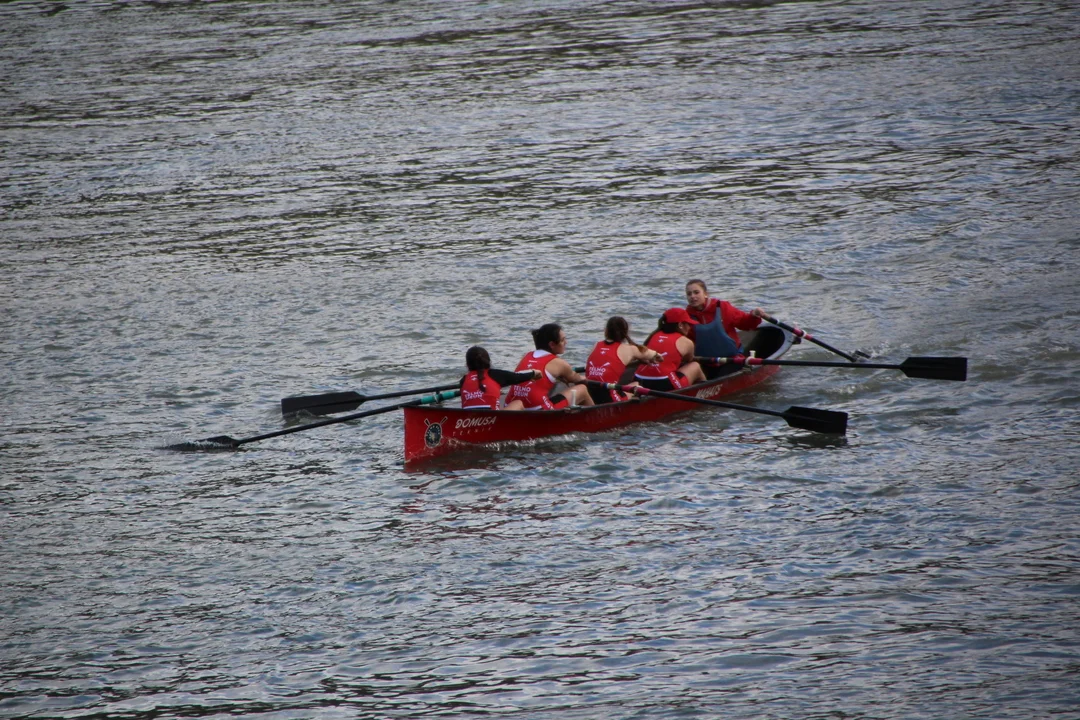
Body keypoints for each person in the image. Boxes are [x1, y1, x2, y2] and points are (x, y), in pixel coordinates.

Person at [684, 279, 770, 377]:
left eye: (696, 292)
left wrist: (753, 316)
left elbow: (744, 323)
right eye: (689, 294)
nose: (692, 296)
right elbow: (684, 342)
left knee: (722, 375)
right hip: (705, 362)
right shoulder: (686, 317)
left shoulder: (722, 307)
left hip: (731, 360)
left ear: (705, 294)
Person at [504, 323, 594, 410]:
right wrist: (587, 379)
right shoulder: (559, 363)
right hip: (539, 410)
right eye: (562, 340)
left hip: (511, 405)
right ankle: (596, 416)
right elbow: (577, 379)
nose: (566, 342)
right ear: (552, 344)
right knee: (582, 389)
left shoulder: (526, 356)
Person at [585, 316, 662, 404]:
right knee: (636, 384)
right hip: (609, 397)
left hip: (589, 393)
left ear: (606, 331)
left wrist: (636, 362)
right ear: (626, 333)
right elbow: (659, 358)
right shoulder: (630, 349)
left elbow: (611, 364)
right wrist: (642, 359)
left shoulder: (596, 345)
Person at [634, 308, 706, 391]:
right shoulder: (687, 342)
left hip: (639, 380)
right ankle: (706, 391)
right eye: (688, 324)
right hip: (664, 383)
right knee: (695, 365)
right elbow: (688, 360)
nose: (690, 327)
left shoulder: (654, 335)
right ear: (680, 325)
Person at [459, 346, 541, 409]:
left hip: (467, 421)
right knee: (518, 403)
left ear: (467, 364)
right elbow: (517, 377)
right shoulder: (495, 374)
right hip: (493, 419)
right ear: (488, 361)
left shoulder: (463, 380)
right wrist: (534, 373)